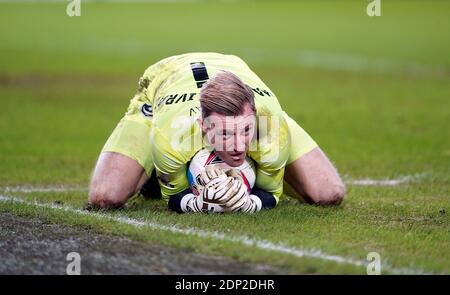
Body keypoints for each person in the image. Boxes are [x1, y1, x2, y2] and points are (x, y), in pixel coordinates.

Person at [88, 52, 345, 213]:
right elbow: (175, 197)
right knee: (106, 197)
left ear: (254, 118)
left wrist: (248, 203)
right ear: (204, 126)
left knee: (328, 193)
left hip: (233, 67)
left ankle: (259, 121)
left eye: (245, 131)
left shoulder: (269, 129)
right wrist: (197, 203)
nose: (237, 146)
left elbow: (270, 193)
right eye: (224, 134)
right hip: (167, 79)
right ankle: (153, 174)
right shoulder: (171, 137)